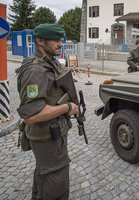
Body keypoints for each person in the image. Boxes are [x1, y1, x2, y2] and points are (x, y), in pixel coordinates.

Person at [17, 23, 79, 200]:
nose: (61, 44)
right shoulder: (36, 70)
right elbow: (31, 115)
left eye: (61, 40)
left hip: (52, 133)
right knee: (55, 179)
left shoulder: (48, 61)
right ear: (40, 41)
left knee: (45, 173)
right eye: (55, 40)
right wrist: (68, 107)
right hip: (47, 136)